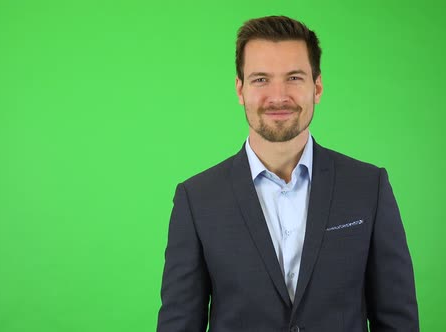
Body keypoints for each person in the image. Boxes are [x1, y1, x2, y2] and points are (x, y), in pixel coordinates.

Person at [156, 16, 418, 332]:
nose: (278, 97)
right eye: (260, 79)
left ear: (317, 86)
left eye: (293, 77)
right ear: (240, 90)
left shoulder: (369, 187)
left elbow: (397, 321)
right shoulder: (196, 200)